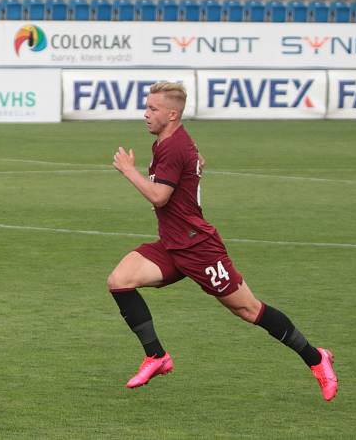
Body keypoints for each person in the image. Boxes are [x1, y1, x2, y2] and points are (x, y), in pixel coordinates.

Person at [108, 81, 338, 401]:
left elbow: (160, 197)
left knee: (248, 310)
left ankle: (317, 358)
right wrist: (195, 165)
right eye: (147, 107)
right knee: (120, 280)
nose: (145, 114)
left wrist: (129, 171)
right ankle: (157, 356)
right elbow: (195, 160)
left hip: (198, 248)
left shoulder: (173, 146)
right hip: (173, 244)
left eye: (153, 109)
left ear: (172, 114)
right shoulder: (170, 141)